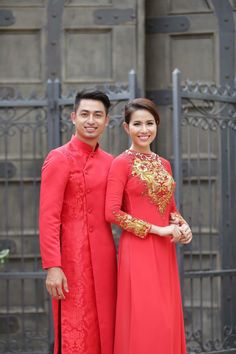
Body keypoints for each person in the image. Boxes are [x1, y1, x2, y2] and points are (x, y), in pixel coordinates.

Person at [105, 98, 192, 354]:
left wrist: (184, 226)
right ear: (126, 128)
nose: (144, 129)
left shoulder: (163, 163)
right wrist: (158, 230)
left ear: (157, 125)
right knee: (144, 317)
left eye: (149, 123)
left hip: (165, 250)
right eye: (137, 124)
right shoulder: (120, 163)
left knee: (165, 319)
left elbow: (170, 208)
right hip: (139, 249)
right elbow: (111, 212)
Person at [39, 90, 117, 354]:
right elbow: (48, 217)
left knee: (105, 328)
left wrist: (171, 221)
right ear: (73, 117)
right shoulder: (59, 158)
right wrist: (53, 266)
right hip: (71, 262)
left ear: (107, 120)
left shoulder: (111, 163)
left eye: (98, 115)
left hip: (106, 260)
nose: (91, 120)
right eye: (84, 114)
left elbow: (128, 209)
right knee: (75, 331)